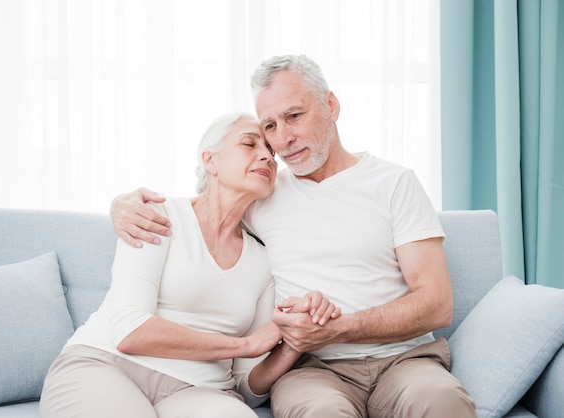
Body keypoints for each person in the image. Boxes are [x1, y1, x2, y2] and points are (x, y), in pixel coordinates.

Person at [109, 55, 477, 418]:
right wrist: (122, 205)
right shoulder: (262, 193)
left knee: (441, 400)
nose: (283, 139)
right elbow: (204, 207)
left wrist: (339, 328)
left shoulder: (394, 183)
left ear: (330, 105)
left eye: (294, 116)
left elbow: (436, 303)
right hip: (311, 369)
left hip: (404, 360)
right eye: (269, 126)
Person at [39, 112, 340, 418]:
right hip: (105, 364)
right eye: (250, 144)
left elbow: (246, 387)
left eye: (271, 152)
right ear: (211, 160)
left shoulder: (263, 263)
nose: (267, 156)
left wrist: (296, 341)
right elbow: (131, 331)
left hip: (198, 391)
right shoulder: (157, 215)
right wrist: (243, 345)